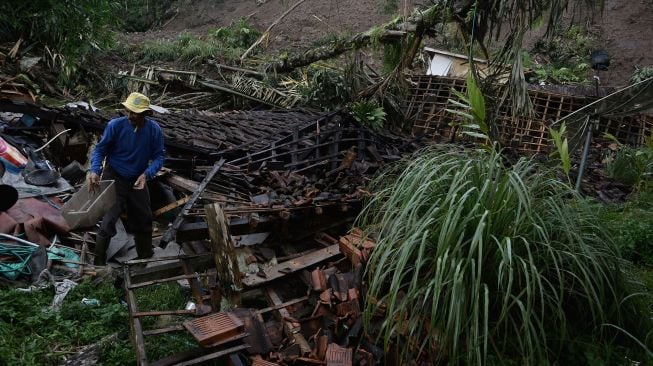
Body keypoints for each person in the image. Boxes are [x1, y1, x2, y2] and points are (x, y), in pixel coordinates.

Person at [87, 92, 165, 265]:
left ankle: (144, 259)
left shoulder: (153, 130)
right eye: (129, 111)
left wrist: (146, 174)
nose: (131, 115)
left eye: (136, 112)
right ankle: (98, 264)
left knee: (144, 218)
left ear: (146, 113)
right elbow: (100, 150)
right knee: (108, 220)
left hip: (138, 178)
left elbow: (159, 157)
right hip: (114, 175)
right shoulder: (116, 125)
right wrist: (94, 170)